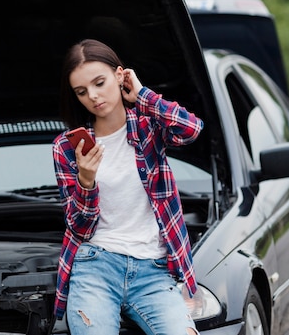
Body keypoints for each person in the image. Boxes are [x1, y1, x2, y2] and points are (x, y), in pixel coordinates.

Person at [52, 39, 203, 335]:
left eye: (99, 83)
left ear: (120, 76)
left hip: (154, 271)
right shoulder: (67, 148)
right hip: (96, 266)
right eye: (82, 92)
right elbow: (79, 227)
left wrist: (143, 95)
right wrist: (86, 180)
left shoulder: (148, 126)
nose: (93, 96)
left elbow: (191, 129)